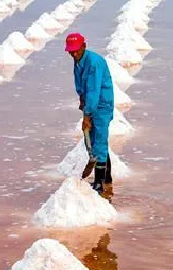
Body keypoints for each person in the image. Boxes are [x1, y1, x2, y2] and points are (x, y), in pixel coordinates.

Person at [65, 33, 114, 198]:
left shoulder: (93, 63)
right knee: (96, 142)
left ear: (84, 46)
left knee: (99, 143)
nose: (73, 54)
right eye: (70, 51)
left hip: (100, 105)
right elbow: (81, 85)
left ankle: (100, 187)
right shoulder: (78, 61)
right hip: (90, 104)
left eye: (76, 51)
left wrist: (87, 116)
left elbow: (93, 91)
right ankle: (107, 179)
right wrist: (81, 99)